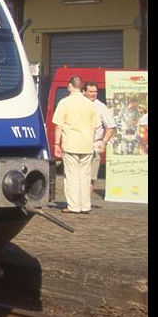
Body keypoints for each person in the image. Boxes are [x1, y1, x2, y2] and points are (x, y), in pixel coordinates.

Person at [51, 75, 100, 214]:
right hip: (87, 144)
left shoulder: (64, 102)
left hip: (71, 143)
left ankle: (73, 206)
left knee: (71, 176)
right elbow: (95, 125)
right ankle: (85, 206)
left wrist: (56, 144)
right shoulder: (90, 104)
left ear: (69, 86)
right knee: (85, 176)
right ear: (82, 87)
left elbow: (59, 126)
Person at [83, 82, 116, 194]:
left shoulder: (101, 107)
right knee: (77, 177)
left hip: (94, 146)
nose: (93, 94)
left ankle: (86, 203)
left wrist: (104, 142)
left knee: (90, 178)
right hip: (79, 144)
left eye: (95, 92)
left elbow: (110, 126)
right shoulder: (79, 104)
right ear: (84, 92)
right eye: (90, 91)